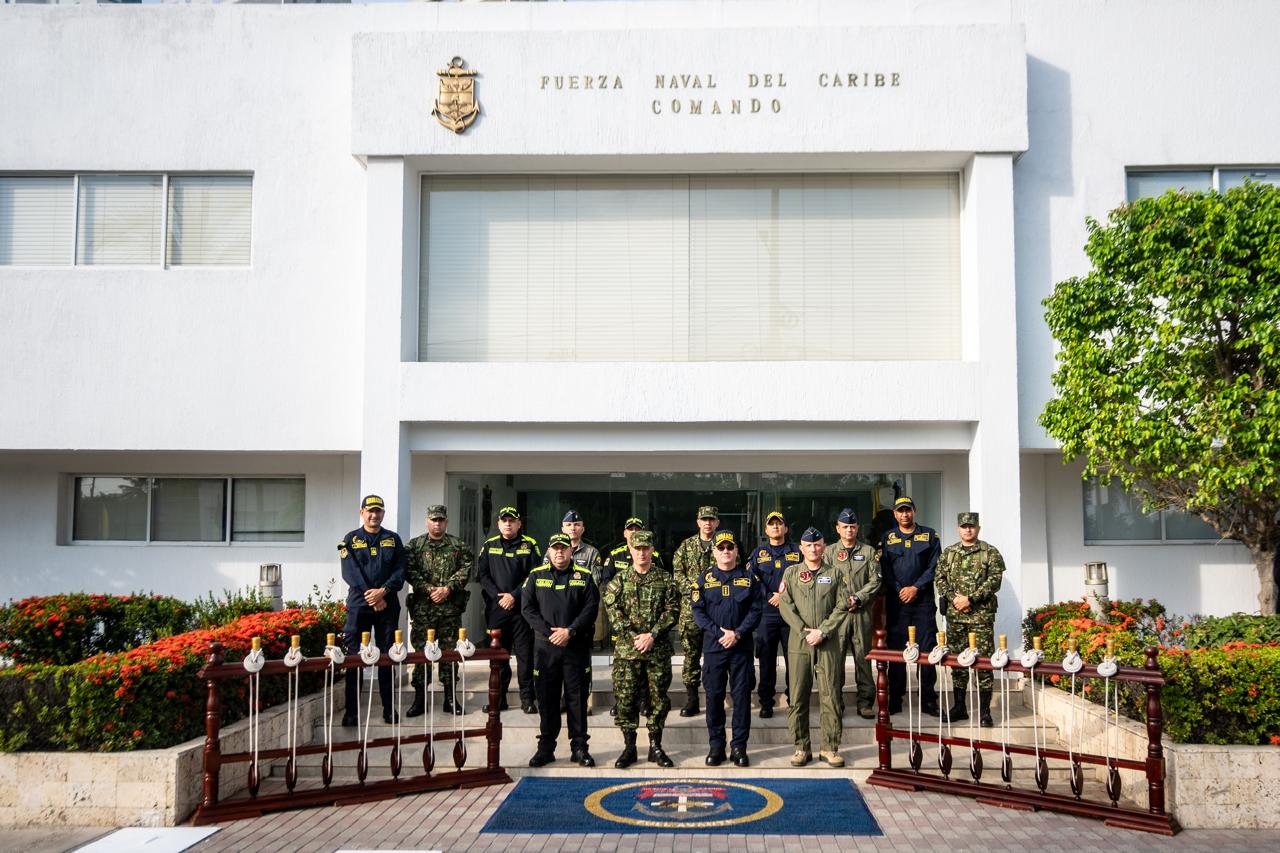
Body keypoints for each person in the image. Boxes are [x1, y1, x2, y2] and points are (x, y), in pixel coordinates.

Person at [603, 529, 680, 769]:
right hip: (628, 652)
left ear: (652, 550)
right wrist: (635, 637)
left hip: (657, 651)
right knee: (625, 699)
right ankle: (630, 747)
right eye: (638, 548)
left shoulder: (665, 579)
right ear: (631, 550)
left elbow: (673, 610)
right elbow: (612, 611)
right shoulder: (619, 580)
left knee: (658, 700)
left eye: (646, 548)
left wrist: (652, 635)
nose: (642, 553)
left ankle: (656, 746)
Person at [522, 533, 600, 767]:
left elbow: (591, 609)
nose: (559, 552)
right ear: (548, 551)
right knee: (547, 700)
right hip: (545, 650)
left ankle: (579, 748)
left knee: (577, 699)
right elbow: (527, 609)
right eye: (555, 548)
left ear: (570, 551)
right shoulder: (536, 576)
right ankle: (546, 749)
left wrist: (570, 631)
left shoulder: (584, 577)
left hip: (575, 648)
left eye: (563, 548)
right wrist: (550, 633)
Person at [778, 527, 850, 767]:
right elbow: (785, 605)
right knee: (798, 696)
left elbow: (842, 606)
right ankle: (801, 747)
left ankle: (830, 748)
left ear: (824, 547)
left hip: (828, 643)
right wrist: (804, 631)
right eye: (808, 545)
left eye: (817, 544)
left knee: (830, 695)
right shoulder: (791, 573)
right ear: (801, 548)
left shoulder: (836, 573)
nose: (813, 549)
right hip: (799, 644)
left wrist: (823, 631)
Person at [692, 529, 763, 767]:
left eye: (729, 547)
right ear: (714, 552)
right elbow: (698, 612)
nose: (725, 551)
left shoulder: (749, 578)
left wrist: (738, 633)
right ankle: (716, 746)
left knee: (741, 698)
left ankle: (739, 747)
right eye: (721, 547)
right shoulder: (703, 579)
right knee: (714, 697)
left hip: (741, 649)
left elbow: (756, 610)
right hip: (714, 648)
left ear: (736, 551)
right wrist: (719, 633)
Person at [338, 495, 406, 726]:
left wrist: (383, 591)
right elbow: (350, 572)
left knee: (387, 655)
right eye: (370, 511)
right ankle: (351, 712)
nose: (374, 515)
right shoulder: (351, 539)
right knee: (354, 657)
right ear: (362, 513)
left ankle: (389, 709)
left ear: (383, 513)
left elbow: (400, 571)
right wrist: (372, 596)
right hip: (360, 605)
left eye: (378, 511)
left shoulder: (393, 539)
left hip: (387, 604)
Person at [936, 511, 1006, 726]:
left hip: (981, 617)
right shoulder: (949, 553)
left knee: (983, 663)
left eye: (971, 526)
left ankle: (985, 711)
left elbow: (994, 581)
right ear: (958, 528)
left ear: (978, 528)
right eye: (964, 526)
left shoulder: (990, 552)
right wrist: (955, 599)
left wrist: (970, 599)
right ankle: (960, 707)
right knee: (958, 662)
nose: (968, 529)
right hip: (956, 617)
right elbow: (940, 579)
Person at [404, 504, 473, 717]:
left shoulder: (458, 545)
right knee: (421, 654)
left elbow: (466, 569)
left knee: (450, 654)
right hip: (423, 610)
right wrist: (428, 589)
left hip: (449, 611)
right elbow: (409, 570)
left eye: (441, 520)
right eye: (434, 520)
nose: (437, 523)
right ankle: (419, 700)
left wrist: (447, 589)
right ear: (427, 521)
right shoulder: (414, 546)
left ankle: (450, 699)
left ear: (446, 522)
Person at [879, 496, 942, 715]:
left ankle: (928, 699)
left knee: (926, 650)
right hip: (897, 603)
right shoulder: (887, 538)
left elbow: (935, 566)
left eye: (908, 510)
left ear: (914, 511)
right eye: (900, 511)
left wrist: (915, 587)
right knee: (897, 651)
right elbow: (885, 570)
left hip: (923, 602)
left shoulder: (930, 535)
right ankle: (896, 698)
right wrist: (900, 589)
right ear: (895, 514)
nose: (904, 514)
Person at [475, 506, 540, 714]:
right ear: (499, 524)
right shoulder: (489, 546)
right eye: (504, 520)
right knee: (498, 658)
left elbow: (534, 575)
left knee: (525, 657)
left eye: (512, 520)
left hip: (522, 610)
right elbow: (483, 576)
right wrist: (498, 597)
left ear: (519, 523)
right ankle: (498, 700)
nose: (508, 524)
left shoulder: (530, 545)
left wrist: (514, 595)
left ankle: (527, 699)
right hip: (497, 610)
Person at [598, 516, 665, 716]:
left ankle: (644, 701)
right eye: (631, 529)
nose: (634, 532)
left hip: (650, 628)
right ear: (625, 533)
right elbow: (607, 584)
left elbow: (663, 588)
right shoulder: (615, 554)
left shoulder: (655, 556)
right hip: (625, 626)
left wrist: (652, 633)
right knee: (623, 669)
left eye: (638, 529)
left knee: (646, 669)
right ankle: (622, 702)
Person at [542, 510, 603, 714]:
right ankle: (561, 699)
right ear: (562, 528)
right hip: (556, 619)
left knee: (582, 663)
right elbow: (546, 583)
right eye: (568, 525)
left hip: (580, 619)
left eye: (577, 525)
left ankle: (583, 701)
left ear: (583, 528)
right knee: (558, 661)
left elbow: (594, 583)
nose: (573, 528)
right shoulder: (551, 552)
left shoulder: (592, 553)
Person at [824, 507, 881, 719]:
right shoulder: (829, 553)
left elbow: (875, 581)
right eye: (845, 526)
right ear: (838, 529)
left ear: (857, 528)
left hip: (861, 613)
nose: (849, 530)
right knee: (836, 660)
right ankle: (836, 703)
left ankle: (865, 702)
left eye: (852, 526)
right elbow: (825, 581)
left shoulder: (869, 552)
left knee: (863, 658)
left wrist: (858, 598)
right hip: (838, 614)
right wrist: (842, 602)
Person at [746, 510, 800, 718]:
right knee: (766, 661)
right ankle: (766, 702)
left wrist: (783, 596)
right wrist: (770, 595)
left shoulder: (797, 551)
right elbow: (752, 579)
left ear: (786, 528)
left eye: (779, 523)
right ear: (766, 529)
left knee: (793, 660)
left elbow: (803, 577)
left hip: (791, 614)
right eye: (771, 524)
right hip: (766, 614)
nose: (776, 527)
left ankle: (793, 699)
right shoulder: (758, 553)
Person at [672, 505, 720, 717]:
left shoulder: (724, 544)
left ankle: (713, 698)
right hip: (691, 610)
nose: (707, 523)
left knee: (714, 657)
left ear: (717, 522)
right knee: (691, 656)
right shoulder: (686, 546)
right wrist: (695, 590)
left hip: (716, 610)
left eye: (711, 519)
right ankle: (692, 699)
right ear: (698, 522)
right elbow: (677, 574)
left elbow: (733, 571)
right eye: (704, 519)